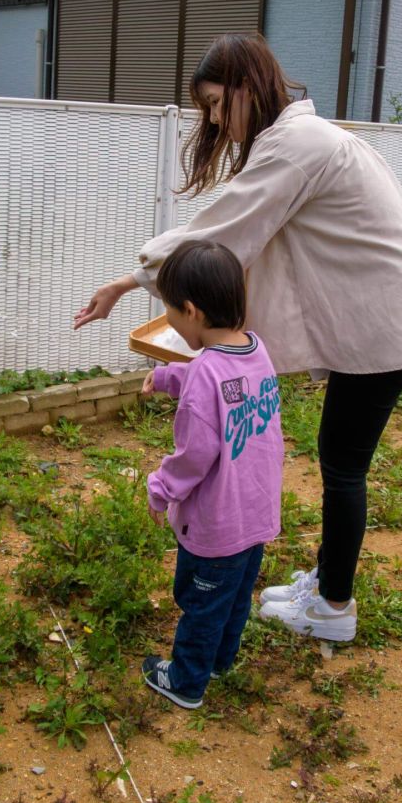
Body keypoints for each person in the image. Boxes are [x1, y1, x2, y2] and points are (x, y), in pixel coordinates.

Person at [74, 33, 402, 643]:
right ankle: (329, 581)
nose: (218, 119)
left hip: (387, 329)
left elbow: (220, 235)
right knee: (340, 461)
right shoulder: (301, 139)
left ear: (248, 87)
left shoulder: (298, 145)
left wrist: (126, 281)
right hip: (386, 321)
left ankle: (334, 608)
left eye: (220, 103)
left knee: (344, 467)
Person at [139, 238, 283, 709]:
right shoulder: (256, 349)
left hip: (217, 522)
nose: (175, 327)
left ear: (191, 310)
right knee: (236, 597)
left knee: (200, 602)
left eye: (172, 316)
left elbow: (195, 453)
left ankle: (185, 681)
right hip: (255, 512)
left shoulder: (204, 371)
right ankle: (220, 660)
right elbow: (227, 388)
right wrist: (167, 377)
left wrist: (160, 489)